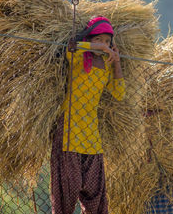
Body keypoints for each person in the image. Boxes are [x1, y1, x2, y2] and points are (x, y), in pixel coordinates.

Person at [50, 16, 125, 214]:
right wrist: (99, 47)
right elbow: (71, 47)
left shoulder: (106, 65)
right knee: (70, 185)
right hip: (69, 128)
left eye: (108, 41)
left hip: (90, 132)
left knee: (95, 190)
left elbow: (119, 93)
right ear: (90, 39)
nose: (104, 45)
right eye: (99, 39)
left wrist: (116, 62)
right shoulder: (78, 57)